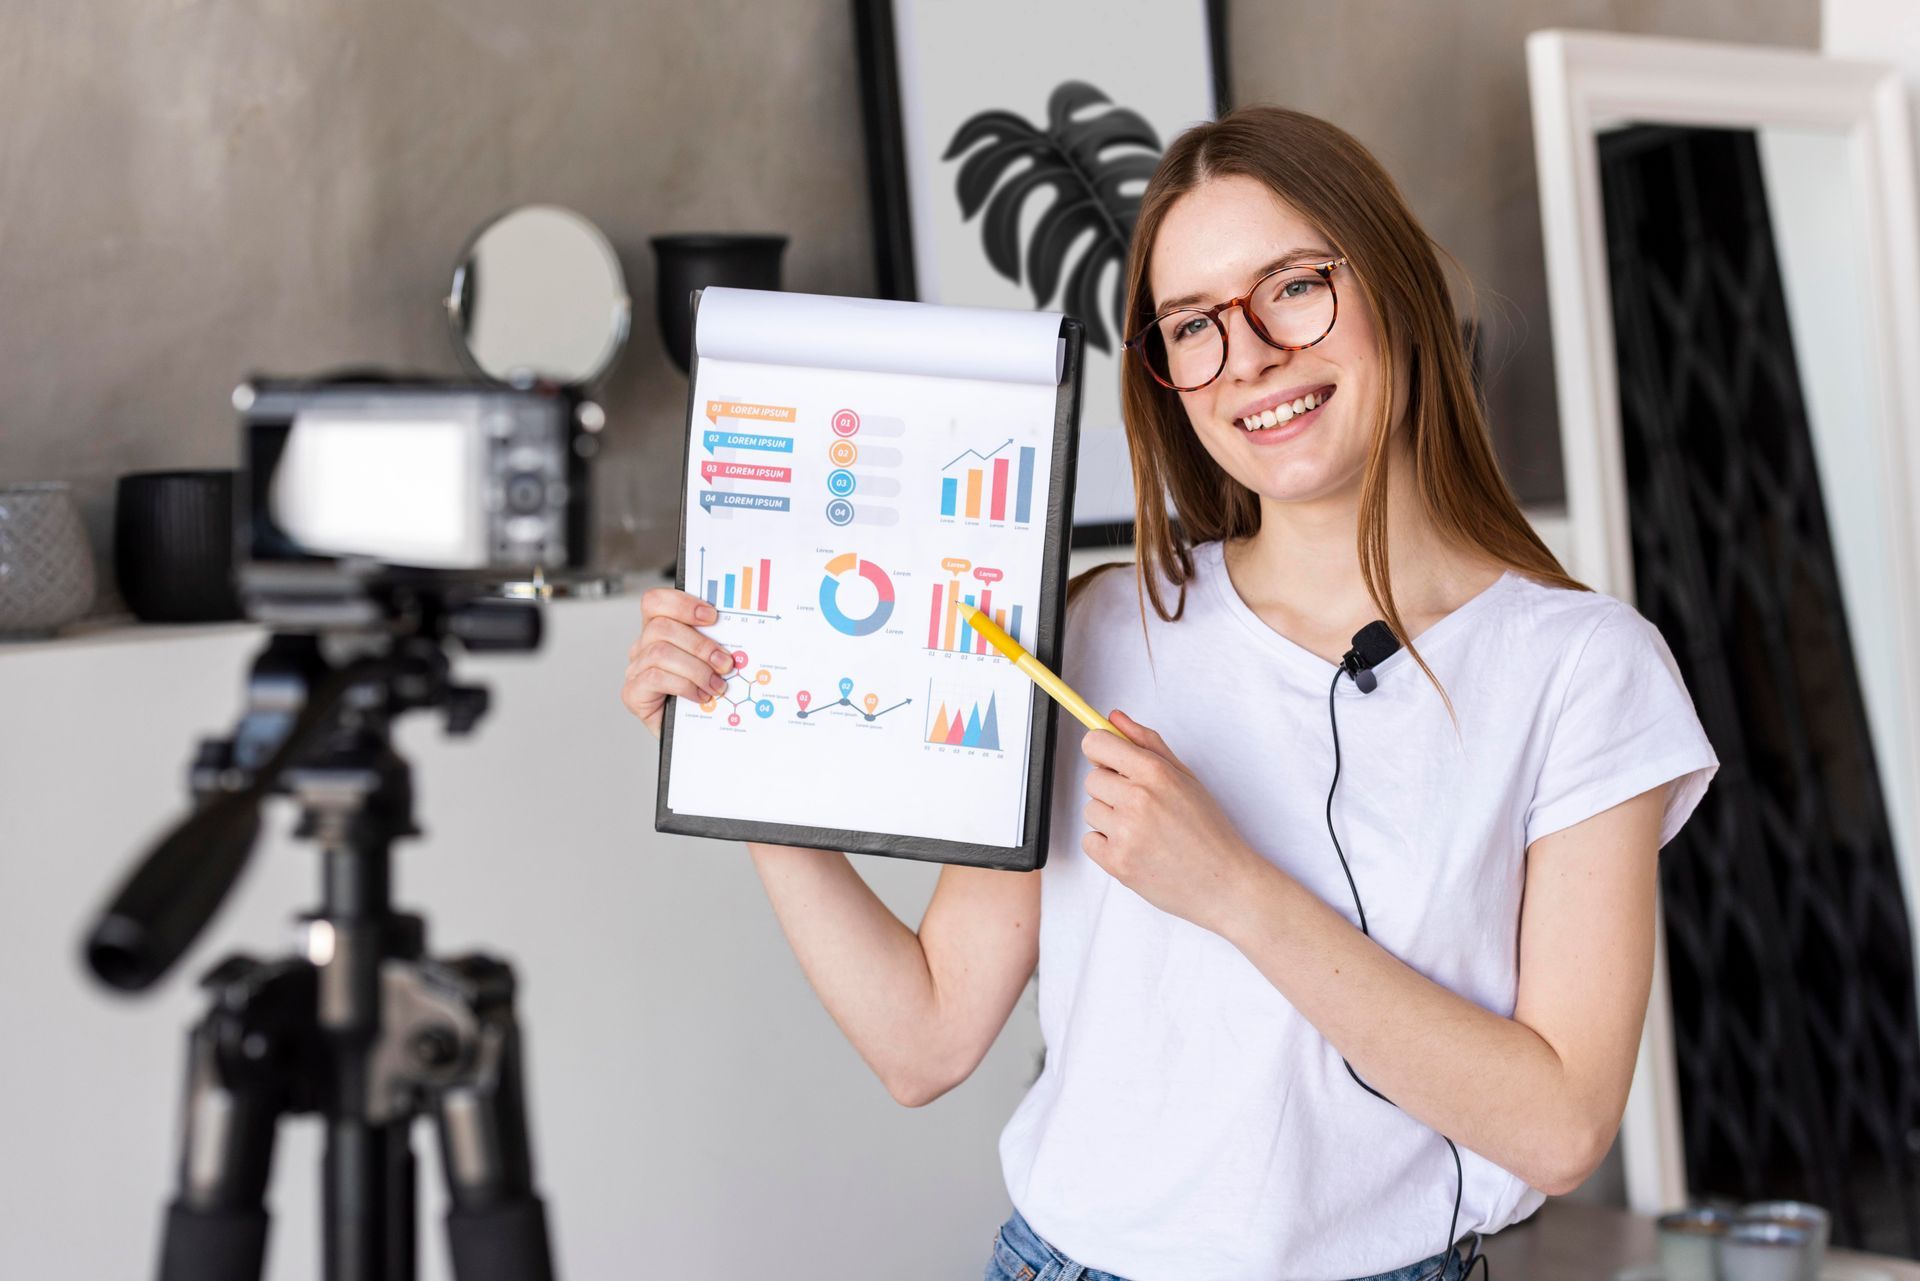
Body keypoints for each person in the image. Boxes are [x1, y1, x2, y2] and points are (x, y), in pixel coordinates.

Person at [621, 105, 1718, 1281]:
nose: (1246, 354)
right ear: (1170, 378)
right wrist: (736, 749)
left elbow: (1559, 1128)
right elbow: (923, 1038)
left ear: (1392, 285)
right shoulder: (1096, 631)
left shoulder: (1584, 671)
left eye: (1292, 287)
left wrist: (1234, 889)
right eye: (1193, 325)